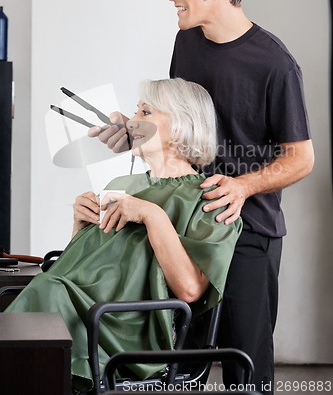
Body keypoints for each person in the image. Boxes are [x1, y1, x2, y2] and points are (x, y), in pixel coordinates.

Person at [88, 0, 314, 394]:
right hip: (187, 222)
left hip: (248, 230)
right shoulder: (186, 43)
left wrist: (243, 186)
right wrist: (135, 131)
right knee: (175, 360)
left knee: (245, 370)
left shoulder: (275, 64)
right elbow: (181, 132)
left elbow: (301, 159)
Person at [6, 78, 242, 393]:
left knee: (43, 299)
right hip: (73, 302)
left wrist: (151, 215)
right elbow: (81, 267)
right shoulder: (122, 184)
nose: (131, 121)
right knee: (38, 296)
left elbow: (189, 290)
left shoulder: (210, 198)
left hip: (126, 328)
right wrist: (80, 222)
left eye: (145, 111)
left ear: (180, 126)